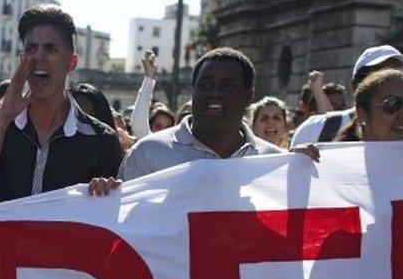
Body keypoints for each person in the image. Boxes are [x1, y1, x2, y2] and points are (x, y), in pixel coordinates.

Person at [0, 5, 124, 205]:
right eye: (31, 48)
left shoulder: (100, 139)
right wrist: (2, 119)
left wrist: (104, 192)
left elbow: (111, 216)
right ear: (22, 59)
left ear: (71, 63)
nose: (38, 57)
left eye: (50, 49)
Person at [120, 47, 283, 181]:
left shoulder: (275, 161)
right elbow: (118, 216)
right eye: (205, 85)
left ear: (248, 95)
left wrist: (305, 166)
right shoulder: (148, 153)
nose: (215, 93)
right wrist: (102, 194)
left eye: (228, 86)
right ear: (193, 91)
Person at [291, 45, 403, 146]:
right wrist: (297, 161)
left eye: (401, 75)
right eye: (383, 78)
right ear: (358, 85)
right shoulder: (314, 130)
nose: (397, 84)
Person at [131, 50, 158, 139]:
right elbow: (139, 128)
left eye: (168, 127)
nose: (163, 131)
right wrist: (149, 77)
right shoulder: (152, 142)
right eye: (158, 126)